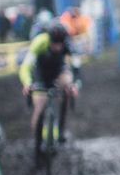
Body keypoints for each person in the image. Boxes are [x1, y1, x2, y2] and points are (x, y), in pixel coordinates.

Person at [19, 22, 79, 152]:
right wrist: (27, 83)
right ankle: (38, 141)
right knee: (40, 106)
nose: (57, 47)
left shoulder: (68, 44)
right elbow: (25, 66)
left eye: (60, 44)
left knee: (68, 86)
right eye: (54, 43)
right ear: (49, 39)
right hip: (40, 74)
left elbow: (76, 66)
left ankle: (61, 131)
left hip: (59, 72)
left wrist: (75, 85)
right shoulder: (39, 42)